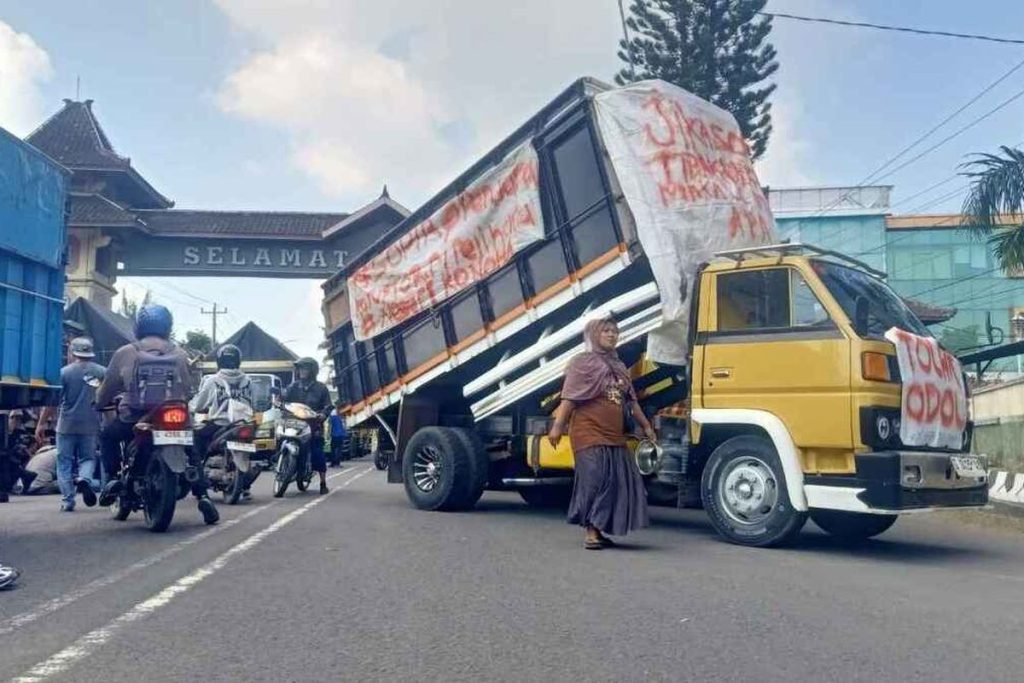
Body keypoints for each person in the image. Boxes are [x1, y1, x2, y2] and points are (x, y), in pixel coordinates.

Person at [95, 304, 218, 525]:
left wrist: (99, 402)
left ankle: (113, 479)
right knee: (190, 448)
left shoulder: (125, 352)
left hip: (135, 416)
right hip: (174, 415)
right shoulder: (180, 354)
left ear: (139, 326)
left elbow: (108, 388)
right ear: (167, 327)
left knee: (107, 436)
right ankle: (203, 496)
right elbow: (188, 388)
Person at [548, 317, 655, 550]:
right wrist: (558, 426)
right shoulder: (581, 363)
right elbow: (569, 398)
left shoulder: (619, 367)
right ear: (594, 335)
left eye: (615, 331)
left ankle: (599, 528)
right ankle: (591, 532)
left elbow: (631, 402)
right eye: (605, 331)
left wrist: (647, 427)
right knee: (595, 479)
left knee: (616, 482)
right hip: (588, 432)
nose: (611, 334)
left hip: (614, 435)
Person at [37, 338, 106, 512]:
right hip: (91, 423)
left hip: (66, 424)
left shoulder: (64, 373)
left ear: (72, 352)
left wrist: (42, 423)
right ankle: (84, 479)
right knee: (88, 458)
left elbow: (53, 402)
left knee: (64, 462)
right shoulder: (102, 372)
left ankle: (68, 500)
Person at [189, 344, 254, 457]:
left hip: (220, 424)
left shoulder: (213, 381)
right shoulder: (248, 381)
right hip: (244, 424)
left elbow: (198, 405)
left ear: (219, 361)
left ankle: (198, 465)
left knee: (196, 437)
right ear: (238, 361)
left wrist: (190, 406)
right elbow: (253, 403)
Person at [283, 357, 331, 494]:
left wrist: (323, 414)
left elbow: (328, 405)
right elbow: (284, 397)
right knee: (281, 438)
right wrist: (278, 401)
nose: (302, 371)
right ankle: (282, 461)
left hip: (313, 425)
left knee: (317, 452)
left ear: (312, 371)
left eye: (305, 368)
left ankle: (323, 482)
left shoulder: (321, 388)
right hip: (294, 423)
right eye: (300, 369)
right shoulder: (293, 386)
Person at [328, 402, 348, 467]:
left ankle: (333, 463)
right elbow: (344, 426)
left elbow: (329, 425)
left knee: (333, 449)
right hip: (340, 435)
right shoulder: (342, 417)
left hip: (334, 435)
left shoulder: (332, 417)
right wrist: (345, 433)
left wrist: (329, 433)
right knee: (338, 449)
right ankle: (337, 463)